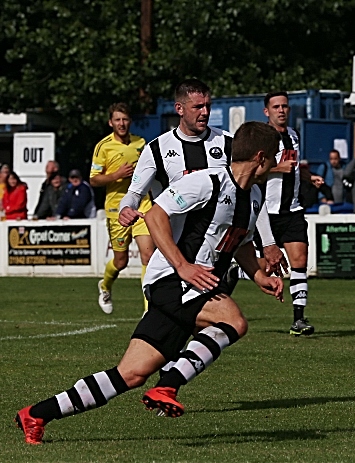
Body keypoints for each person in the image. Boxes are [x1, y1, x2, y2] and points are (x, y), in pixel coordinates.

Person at [14, 121, 284, 446]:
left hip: (190, 286)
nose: (278, 165)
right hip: (171, 278)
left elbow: (238, 243)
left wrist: (258, 276)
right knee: (234, 322)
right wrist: (183, 266)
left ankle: (36, 414)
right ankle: (169, 383)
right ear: (260, 157)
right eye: (275, 158)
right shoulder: (207, 182)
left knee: (130, 374)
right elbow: (156, 215)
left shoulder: (253, 197)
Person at [119, 79, 287, 285]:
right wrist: (127, 207)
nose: (205, 112)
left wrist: (268, 242)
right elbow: (134, 193)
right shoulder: (156, 149)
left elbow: (250, 194)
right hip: (177, 249)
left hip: (214, 252)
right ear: (179, 109)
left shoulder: (228, 143)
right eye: (198, 107)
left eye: (208, 106)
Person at [260, 91, 324, 336]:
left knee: (299, 262)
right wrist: (277, 167)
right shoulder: (262, 137)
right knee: (262, 268)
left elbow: (294, 168)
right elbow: (249, 169)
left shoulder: (294, 136)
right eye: (276, 107)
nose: (281, 110)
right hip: (266, 211)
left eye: (284, 106)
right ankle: (238, 271)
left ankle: (298, 319)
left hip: (292, 211)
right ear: (267, 111)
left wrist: (309, 177)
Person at [90, 103, 155, 314]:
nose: (122, 123)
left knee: (148, 256)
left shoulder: (141, 142)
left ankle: (148, 309)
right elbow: (94, 180)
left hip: (142, 203)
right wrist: (116, 175)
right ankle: (105, 286)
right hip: (117, 209)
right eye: (117, 120)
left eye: (125, 119)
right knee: (121, 261)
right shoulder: (103, 147)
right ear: (111, 123)